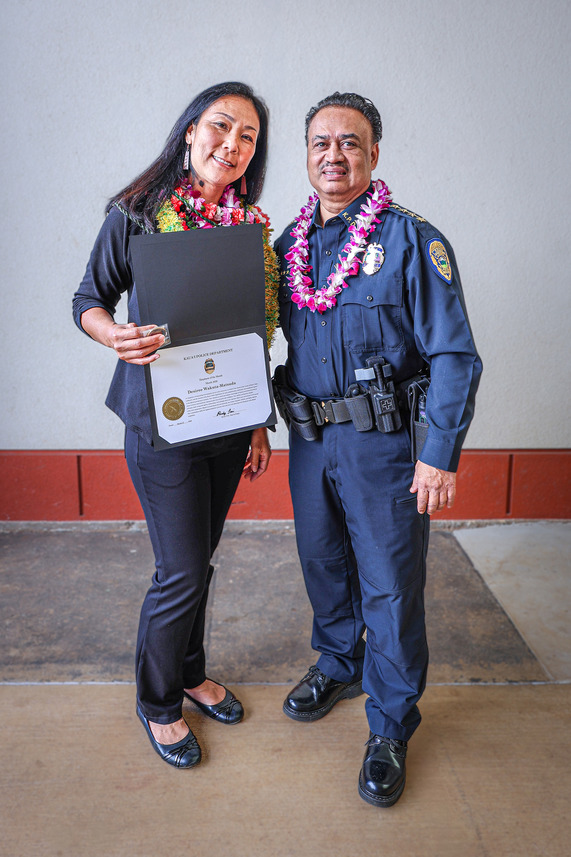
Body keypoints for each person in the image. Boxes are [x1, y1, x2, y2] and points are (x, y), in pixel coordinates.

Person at [274, 92, 482, 806]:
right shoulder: (284, 249)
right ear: (306, 154)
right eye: (320, 142)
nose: (334, 154)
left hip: (384, 445)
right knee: (322, 564)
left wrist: (440, 452)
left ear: (372, 154)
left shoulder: (409, 241)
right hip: (309, 442)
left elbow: (455, 356)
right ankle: (338, 660)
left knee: (390, 584)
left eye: (350, 143)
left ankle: (390, 722)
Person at [73, 81, 279, 769]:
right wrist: (114, 336)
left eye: (246, 136)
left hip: (225, 418)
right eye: (220, 126)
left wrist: (256, 421)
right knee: (181, 569)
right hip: (161, 422)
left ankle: (190, 671)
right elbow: (88, 298)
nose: (231, 143)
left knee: (201, 561)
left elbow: (252, 332)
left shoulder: (250, 231)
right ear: (190, 132)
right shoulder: (136, 215)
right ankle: (159, 699)